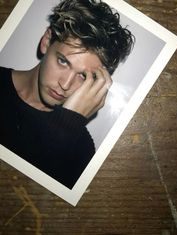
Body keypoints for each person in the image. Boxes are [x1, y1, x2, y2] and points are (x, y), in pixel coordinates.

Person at [0, 0, 134, 189]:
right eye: (63, 61)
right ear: (47, 42)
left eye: (83, 75)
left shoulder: (81, 148)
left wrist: (66, 126)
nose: (65, 84)